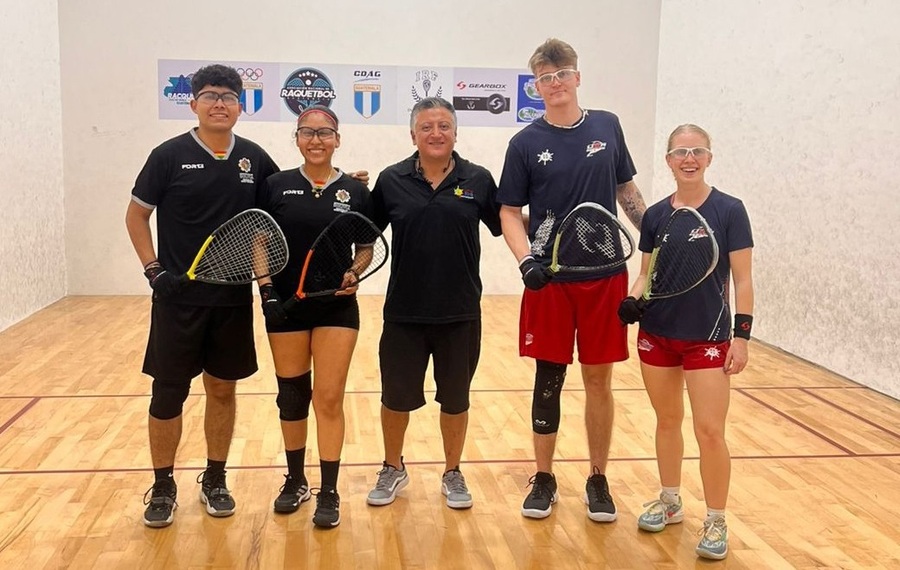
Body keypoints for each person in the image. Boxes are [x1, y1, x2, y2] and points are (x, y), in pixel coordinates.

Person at [496, 38, 647, 522]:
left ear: (577, 77)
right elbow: (509, 212)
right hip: (550, 279)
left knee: (599, 381)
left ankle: (597, 478)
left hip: (605, 276)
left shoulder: (607, 126)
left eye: (562, 73)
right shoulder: (524, 143)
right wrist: (525, 261)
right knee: (549, 378)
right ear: (536, 86)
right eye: (546, 77)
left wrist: (655, 234)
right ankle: (544, 477)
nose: (555, 82)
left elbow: (626, 190)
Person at [125, 64, 279, 528]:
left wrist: (341, 181)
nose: (219, 104)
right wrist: (153, 269)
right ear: (193, 103)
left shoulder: (254, 158)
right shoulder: (168, 155)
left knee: (222, 389)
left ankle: (215, 478)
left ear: (240, 106)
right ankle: (163, 484)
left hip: (231, 300)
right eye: (210, 95)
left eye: (229, 96)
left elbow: (279, 210)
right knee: (168, 393)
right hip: (177, 299)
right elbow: (136, 215)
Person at [618, 124, 753, 560]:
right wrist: (632, 301)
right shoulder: (656, 216)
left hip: (707, 338)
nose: (689, 159)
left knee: (709, 431)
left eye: (697, 151)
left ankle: (716, 519)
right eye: (680, 152)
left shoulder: (730, 211)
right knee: (667, 420)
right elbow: (645, 273)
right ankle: (671, 500)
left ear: (709, 158)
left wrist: (742, 338)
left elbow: (743, 279)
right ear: (669, 160)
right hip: (657, 335)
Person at [365, 97, 502, 510]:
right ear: (413, 135)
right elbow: (365, 232)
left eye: (444, 126)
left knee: (456, 399)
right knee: (395, 398)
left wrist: (549, 219)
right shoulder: (391, 180)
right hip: (403, 312)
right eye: (427, 127)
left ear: (456, 133)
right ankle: (392, 466)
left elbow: (506, 223)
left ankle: (453, 471)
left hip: (461, 313)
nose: (436, 133)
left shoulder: (478, 179)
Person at [255, 105, 373, 529]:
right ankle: (295, 480)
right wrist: (266, 291)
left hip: (335, 306)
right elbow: (259, 240)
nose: (316, 139)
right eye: (307, 132)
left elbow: (365, 247)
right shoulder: (275, 186)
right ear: (297, 139)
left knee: (327, 398)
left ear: (337, 139)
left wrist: (354, 272)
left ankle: (329, 490)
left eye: (325, 133)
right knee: (291, 397)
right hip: (285, 306)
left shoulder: (356, 192)